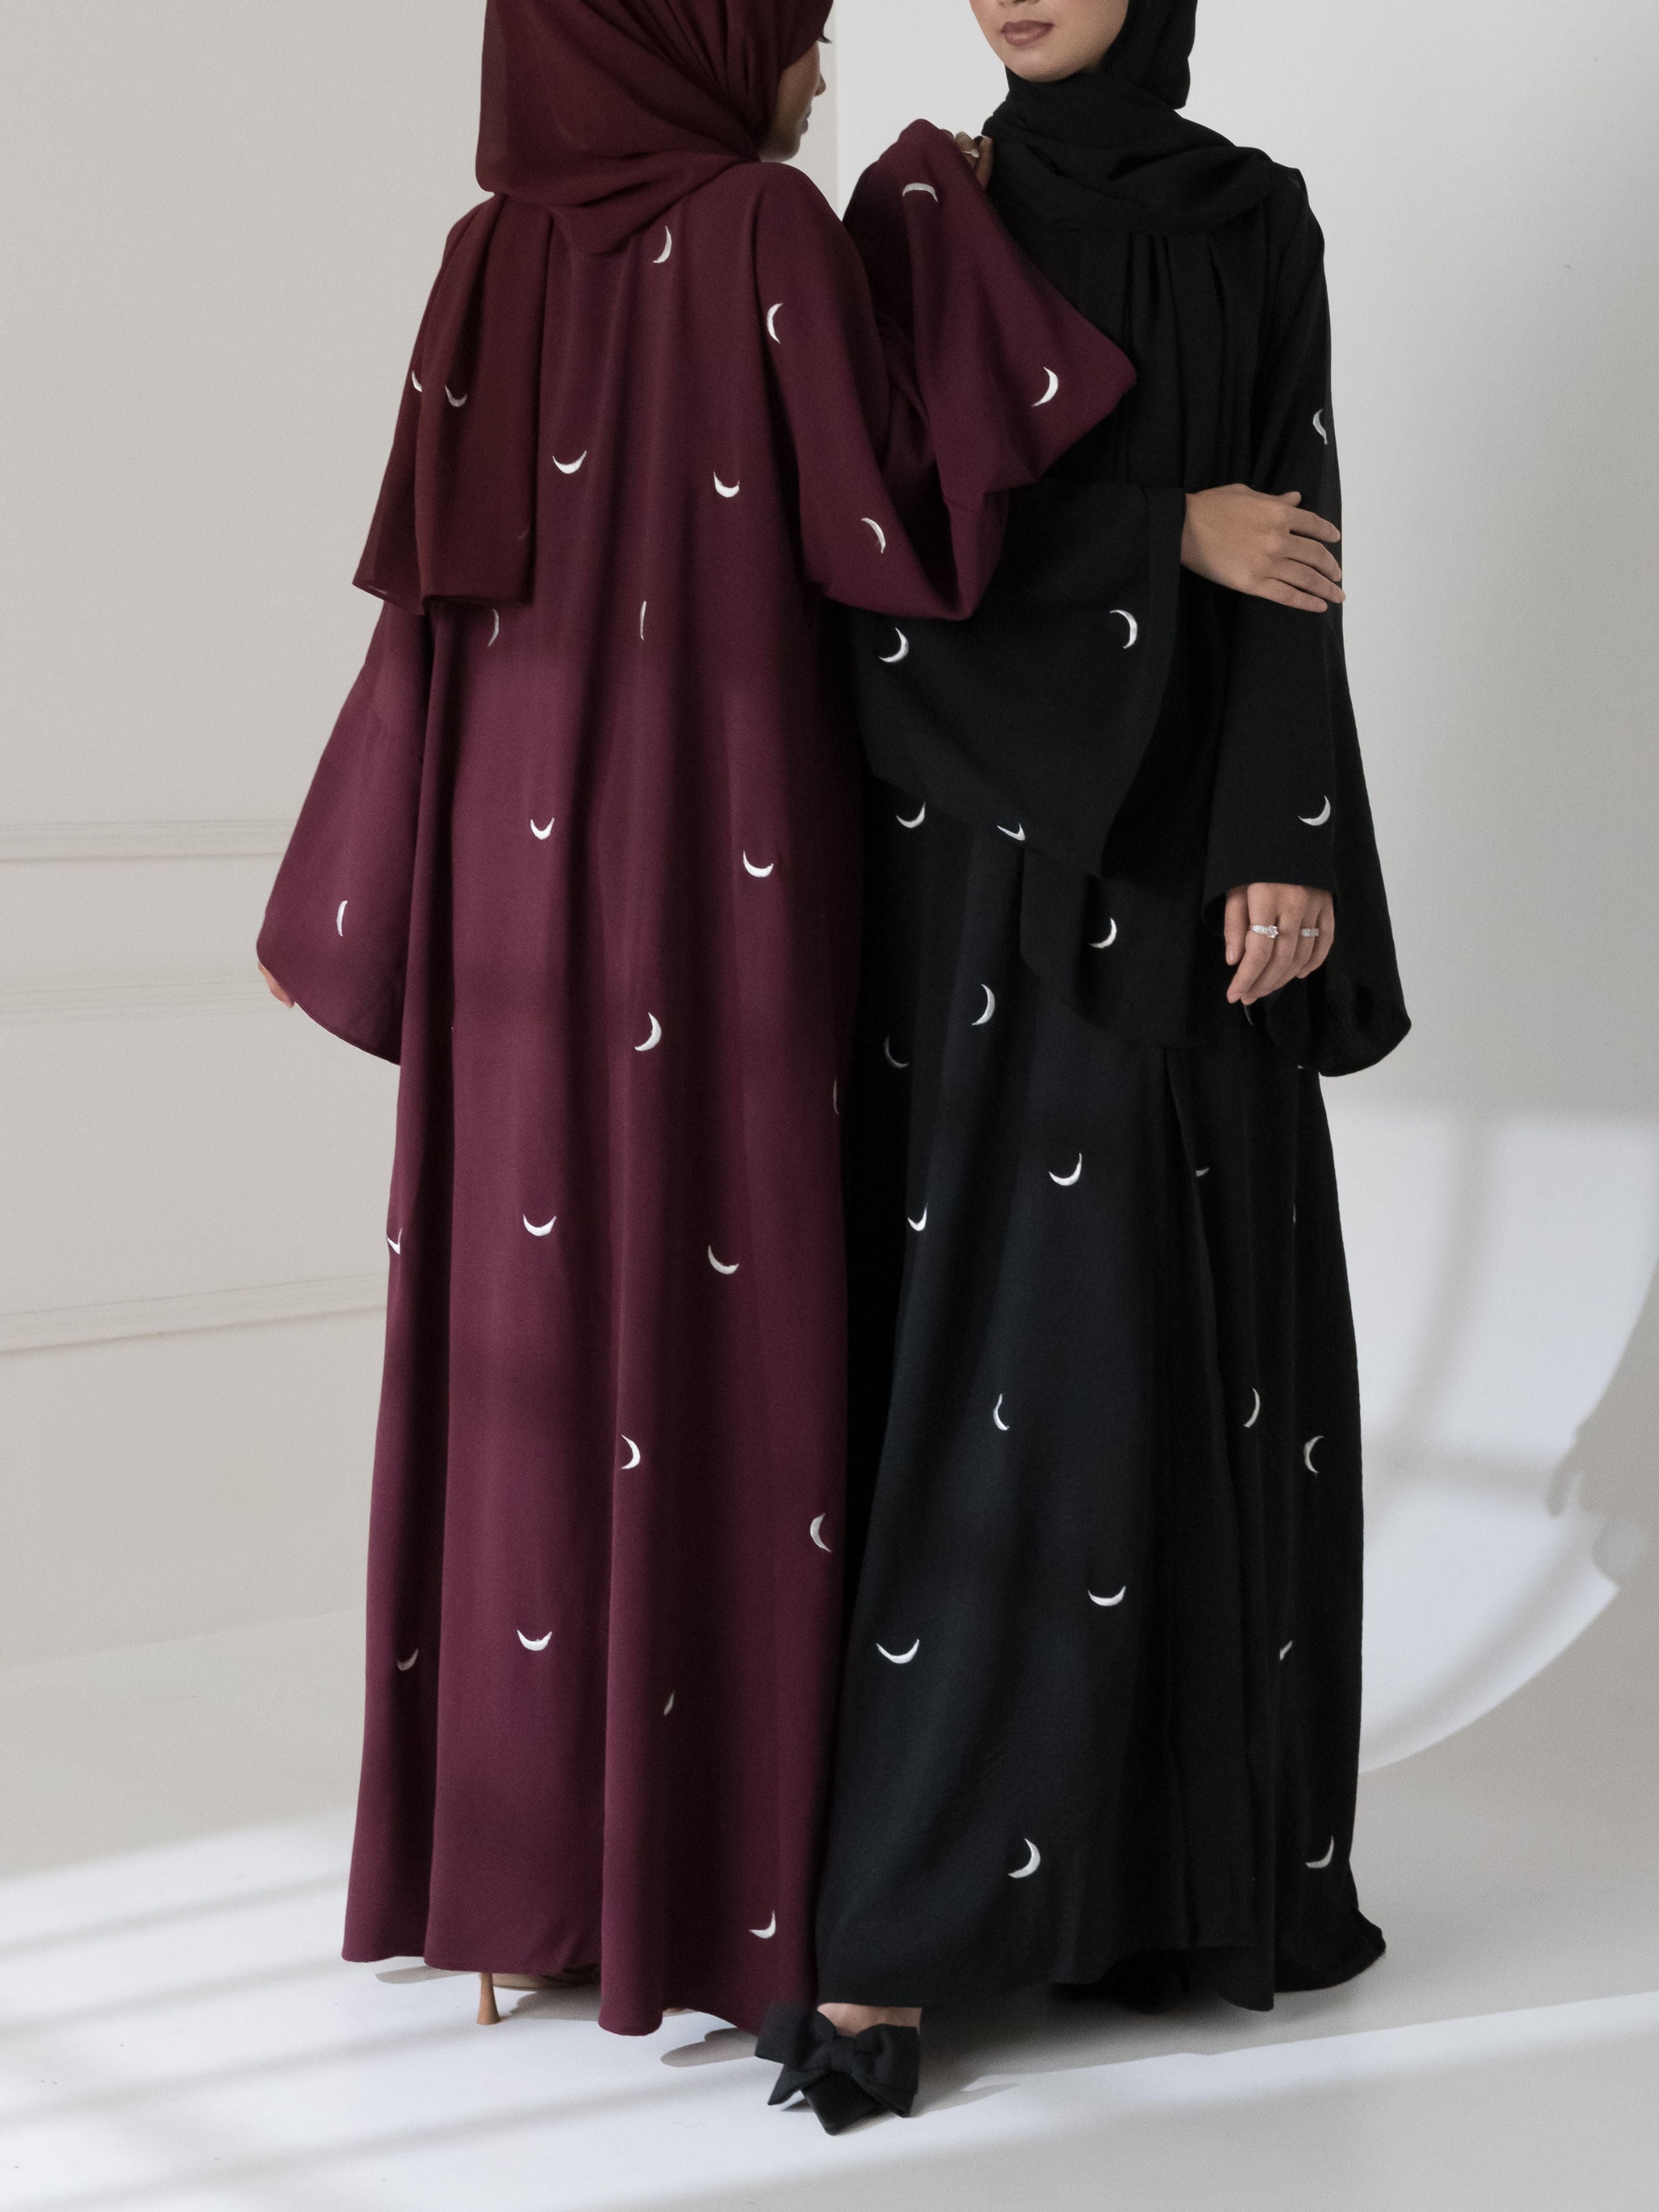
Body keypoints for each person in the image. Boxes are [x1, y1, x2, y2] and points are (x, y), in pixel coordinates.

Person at [255, 0, 1144, 2040]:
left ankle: (522, 1887)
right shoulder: (766, 226)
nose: (815, 76)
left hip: (509, 887)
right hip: (721, 863)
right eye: (797, 32)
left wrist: (359, 889)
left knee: (531, 1327)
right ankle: (726, 1889)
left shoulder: (483, 254)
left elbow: (424, 605)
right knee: (730, 1311)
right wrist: (923, 204)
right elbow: (902, 532)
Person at [757, 0, 1408, 2132]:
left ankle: (1165, 1891)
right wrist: (1158, 532)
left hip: (1195, 845)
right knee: (1010, 1362)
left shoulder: (1256, 218)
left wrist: (1288, 836)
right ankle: (905, 1920)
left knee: (1189, 1349)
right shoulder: (918, 215)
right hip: (976, 872)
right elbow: (869, 550)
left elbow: (1301, 532)